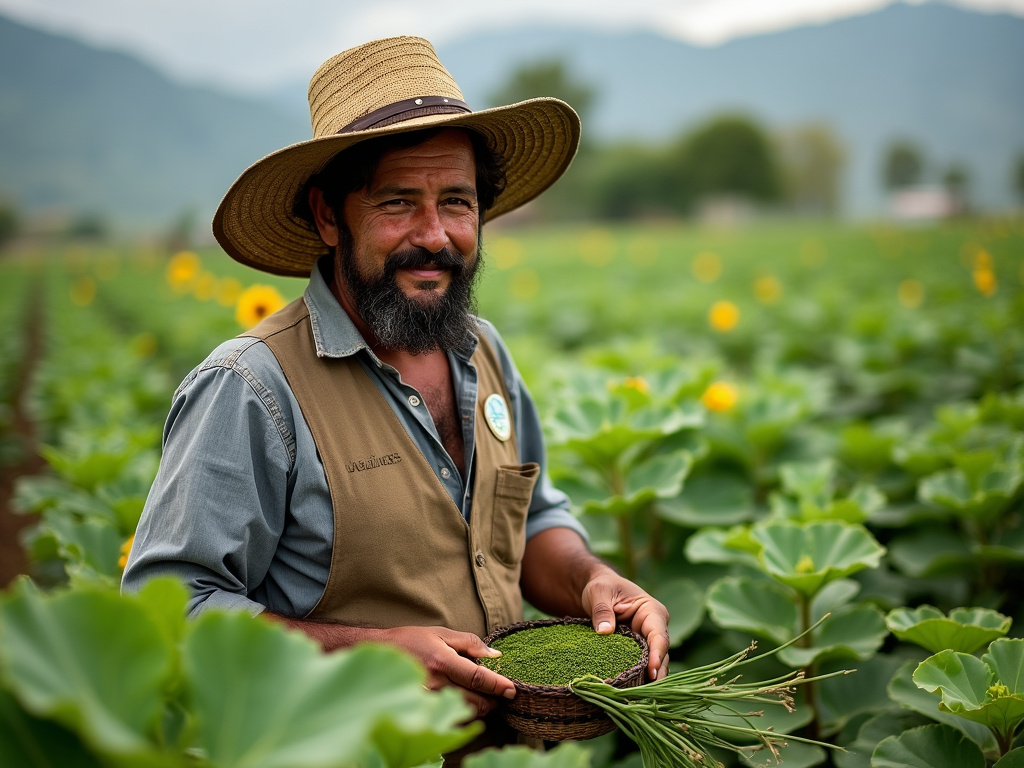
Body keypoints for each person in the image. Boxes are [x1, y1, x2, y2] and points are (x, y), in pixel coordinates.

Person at [123, 35, 669, 731]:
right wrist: (368, 657)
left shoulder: (484, 350)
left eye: (458, 202)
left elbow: (530, 520)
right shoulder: (252, 388)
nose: (436, 235)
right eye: (398, 203)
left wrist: (593, 582)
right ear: (328, 215)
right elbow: (168, 605)